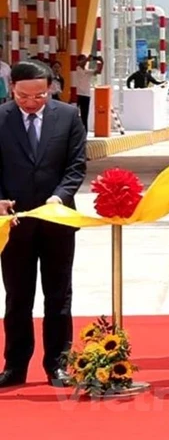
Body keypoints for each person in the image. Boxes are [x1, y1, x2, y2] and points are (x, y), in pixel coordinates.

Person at [0, 60, 87, 388]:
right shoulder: (1, 118)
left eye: (40, 95)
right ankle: (15, 365)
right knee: (17, 296)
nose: (32, 102)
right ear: (12, 89)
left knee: (58, 294)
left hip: (57, 221)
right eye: (24, 96)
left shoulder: (68, 116)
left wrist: (59, 197)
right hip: (15, 221)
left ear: (50, 88)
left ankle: (58, 364)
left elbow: (76, 166)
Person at [75, 55, 102, 131]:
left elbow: (98, 71)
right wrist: (87, 59)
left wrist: (101, 62)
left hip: (86, 95)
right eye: (82, 60)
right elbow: (78, 64)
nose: (85, 62)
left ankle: (85, 132)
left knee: (85, 115)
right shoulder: (77, 69)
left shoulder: (87, 71)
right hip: (78, 94)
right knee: (75, 114)